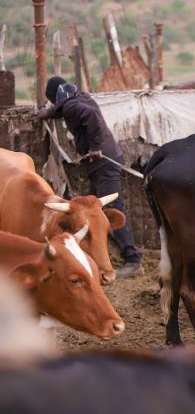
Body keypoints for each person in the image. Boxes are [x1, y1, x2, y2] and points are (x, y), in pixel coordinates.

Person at [38, 76, 142, 279]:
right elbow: (68, 108)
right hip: (103, 162)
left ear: (54, 97)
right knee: (92, 211)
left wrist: (95, 148)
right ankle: (99, 256)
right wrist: (48, 112)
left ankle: (133, 259)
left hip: (102, 162)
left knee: (113, 209)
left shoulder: (73, 107)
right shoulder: (79, 98)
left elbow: (90, 115)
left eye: (52, 101)